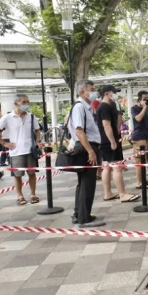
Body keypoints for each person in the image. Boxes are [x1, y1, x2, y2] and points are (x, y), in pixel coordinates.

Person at [68, 79, 105, 227]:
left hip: (87, 146)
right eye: (92, 89)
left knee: (83, 183)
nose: (94, 92)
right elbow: (79, 130)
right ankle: (84, 218)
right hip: (86, 147)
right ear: (83, 91)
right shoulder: (79, 107)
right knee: (87, 184)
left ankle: (79, 214)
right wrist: (90, 151)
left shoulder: (86, 107)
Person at [0, 94, 42, 205]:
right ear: (16, 103)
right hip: (16, 151)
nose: (26, 104)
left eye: (27, 102)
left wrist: (38, 141)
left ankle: (33, 194)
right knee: (17, 175)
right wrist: (4, 143)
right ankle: (19, 195)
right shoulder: (8, 117)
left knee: (32, 173)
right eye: (23, 102)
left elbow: (37, 130)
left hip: (30, 149)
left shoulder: (31, 116)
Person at [97, 85, 140, 202]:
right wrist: (112, 141)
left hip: (103, 140)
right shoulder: (105, 106)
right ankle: (122, 194)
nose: (115, 94)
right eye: (113, 92)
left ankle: (108, 193)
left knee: (106, 167)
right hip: (108, 140)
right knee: (117, 167)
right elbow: (106, 125)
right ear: (106, 93)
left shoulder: (103, 106)